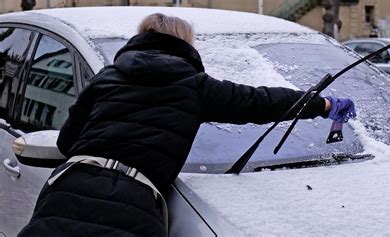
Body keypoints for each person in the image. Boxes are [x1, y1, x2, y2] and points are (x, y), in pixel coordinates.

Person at [19, 13, 356, 236]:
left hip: (64, 192)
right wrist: (323, 104)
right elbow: (260, 101)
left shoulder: (107, 77)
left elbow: (65, 143)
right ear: (186, 44)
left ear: (141, 39)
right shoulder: (195, 86)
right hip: (132, 206)